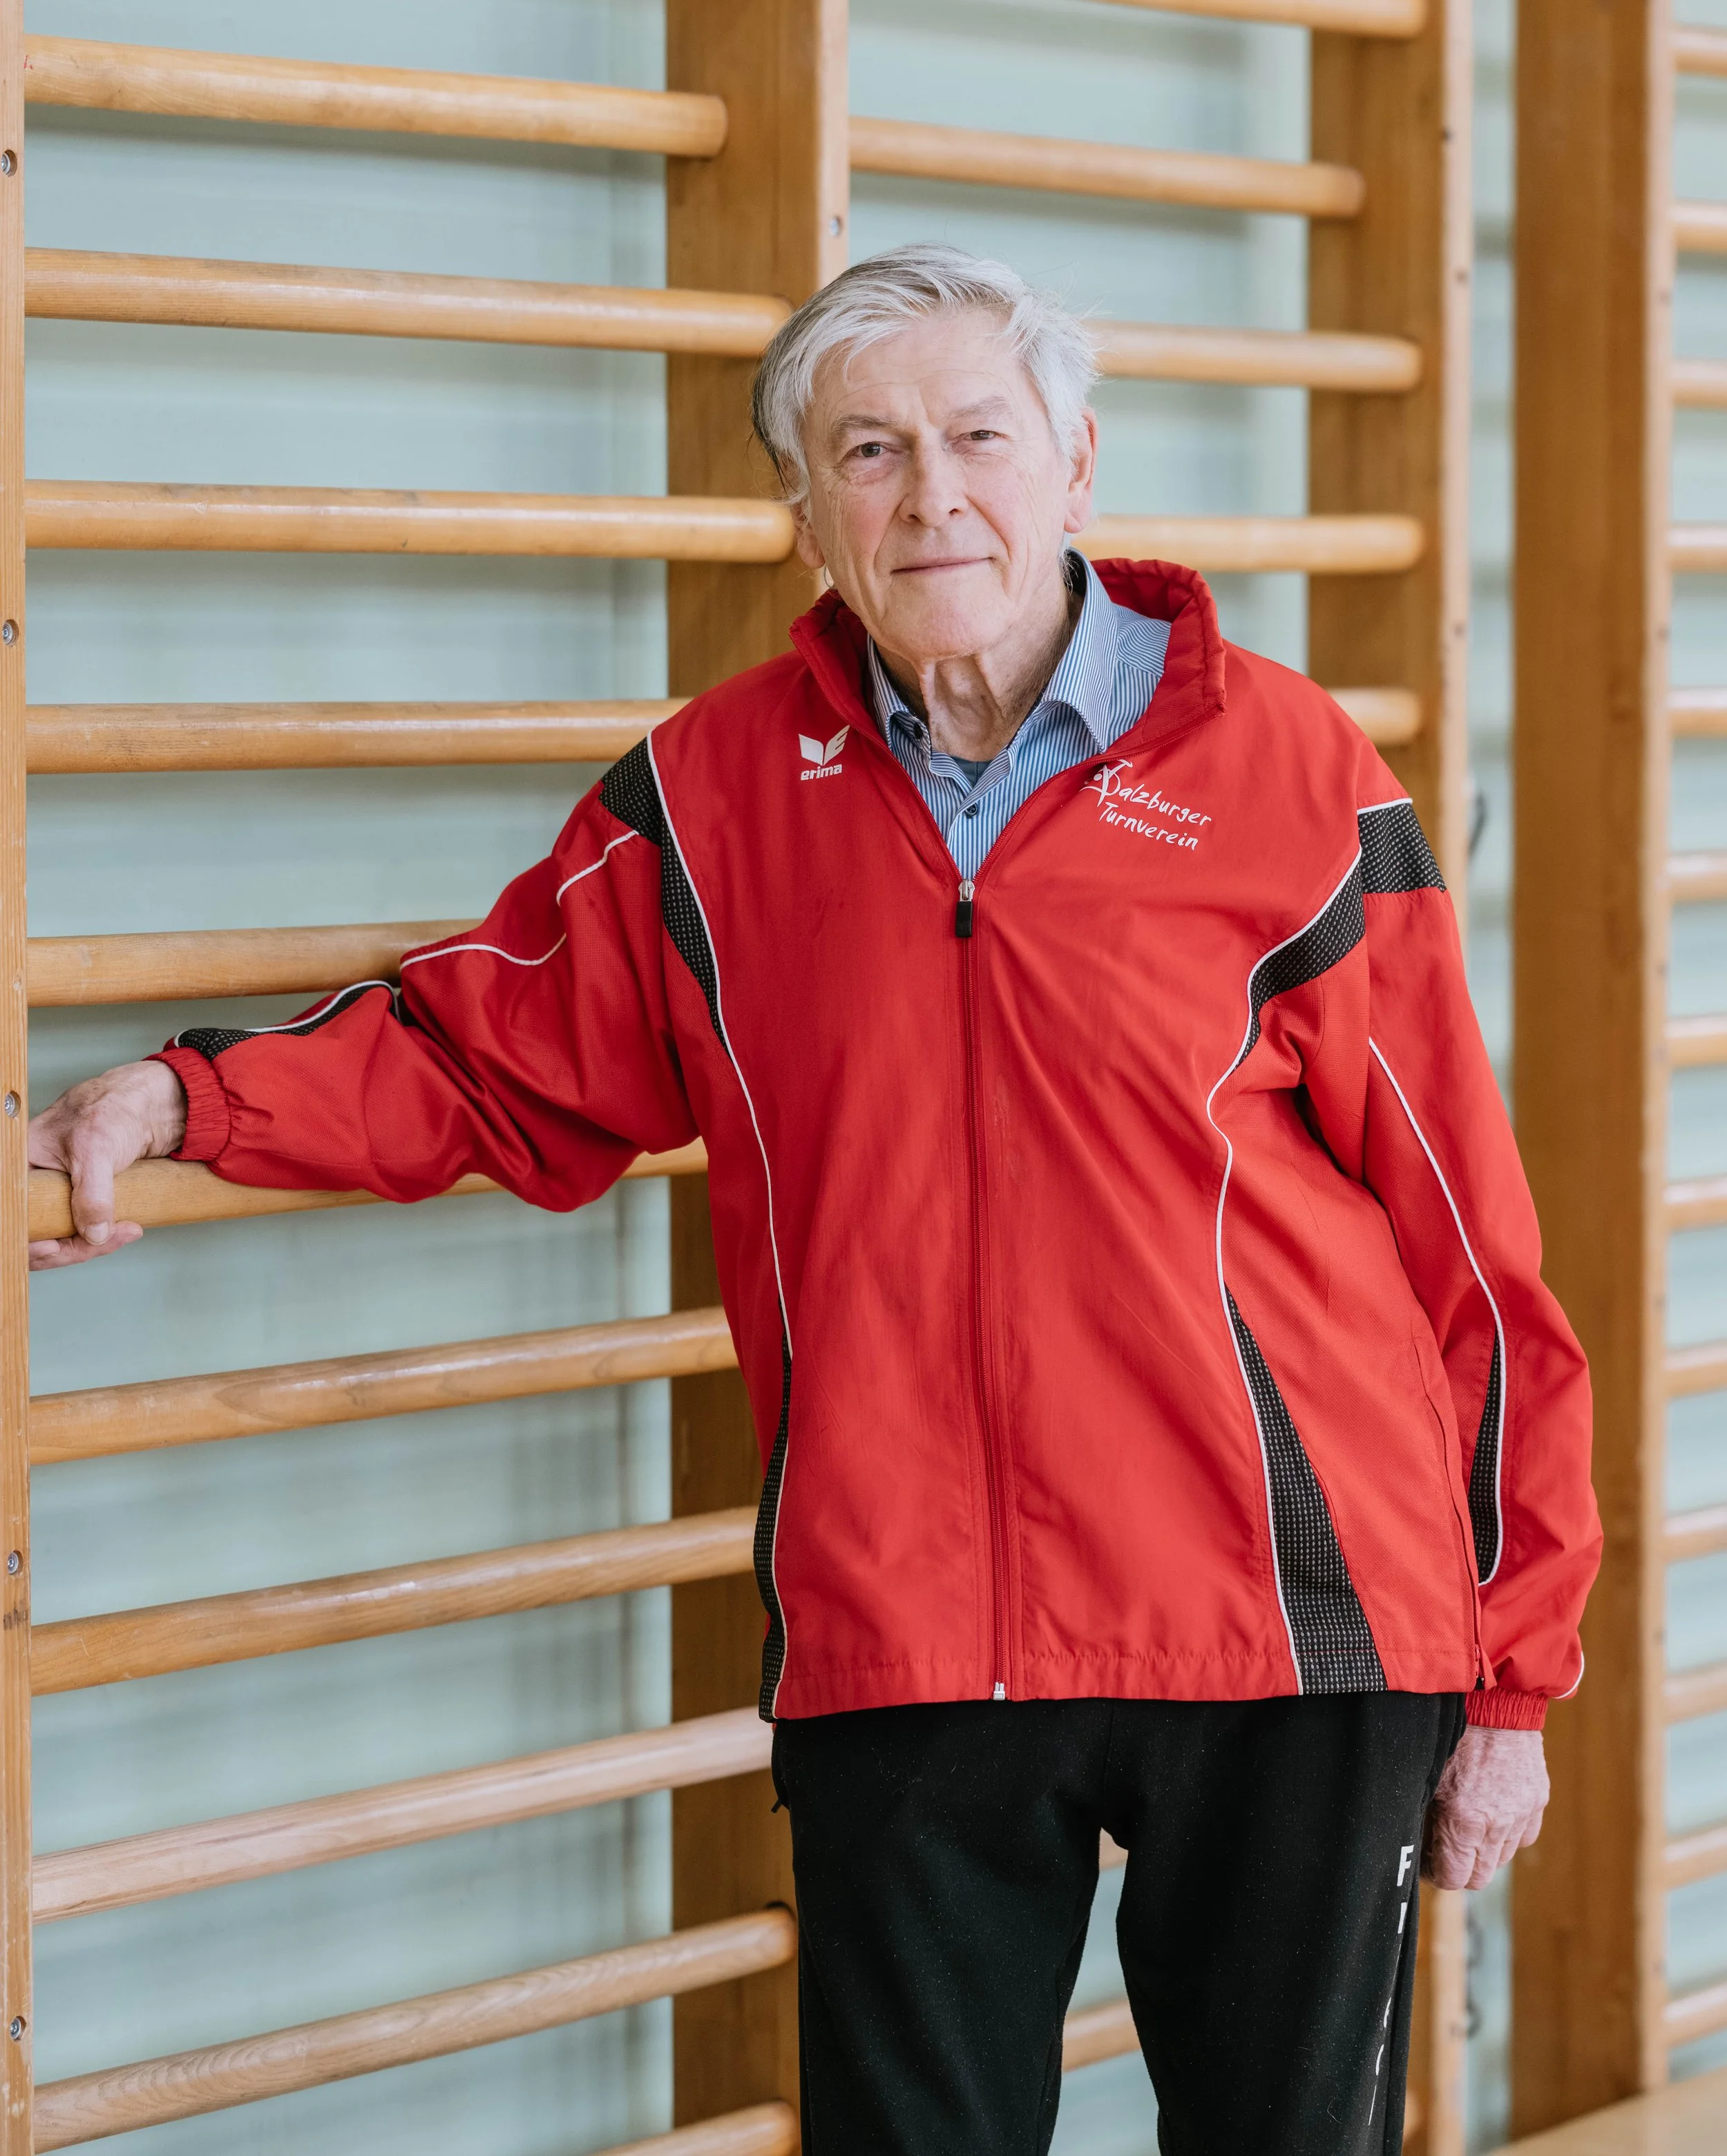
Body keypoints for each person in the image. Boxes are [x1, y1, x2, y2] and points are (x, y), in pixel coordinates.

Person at [30, 246, 1599, 2156]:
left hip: (1286, 1629)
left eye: (975, 435)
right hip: (903, 1627)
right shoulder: (706, 804)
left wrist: (1509, 1678)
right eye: (867, 448)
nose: (931, 493)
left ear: (1076, 463)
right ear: (807, 504)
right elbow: (480, 1050)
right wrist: (184, 1096)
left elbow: (1470, 1256)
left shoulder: (1286, 774)